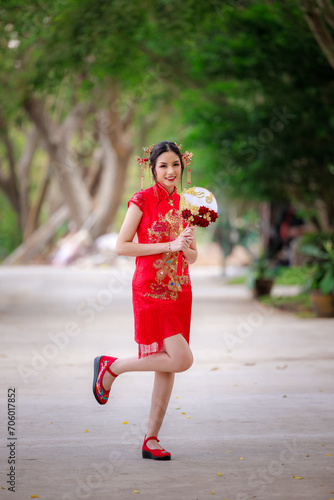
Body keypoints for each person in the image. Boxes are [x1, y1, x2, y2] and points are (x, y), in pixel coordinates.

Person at [92, 140, 197, 461]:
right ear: (151, 169)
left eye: (175, 165)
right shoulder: (141, 201)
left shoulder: (187, 205)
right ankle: (113, 367)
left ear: (183, 167)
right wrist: (169, 245)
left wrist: (186, 245)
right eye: (163, 165)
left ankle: (151, 439)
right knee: (182, 359)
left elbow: (191, 257)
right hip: (151, 289)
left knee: (168, 368)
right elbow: (122, 246)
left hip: (180, 290)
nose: (170, 171)